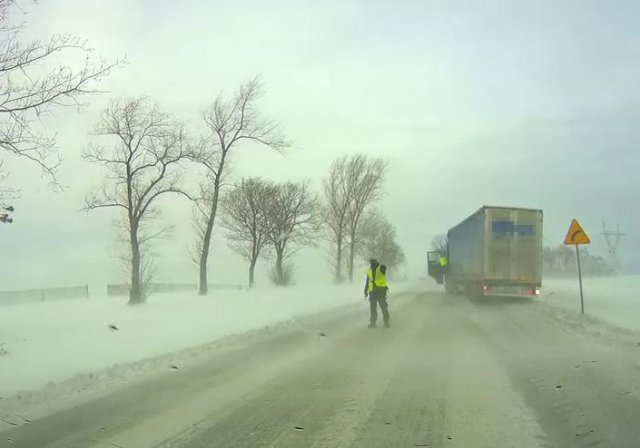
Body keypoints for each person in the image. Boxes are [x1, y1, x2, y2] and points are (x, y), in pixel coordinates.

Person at [364, 258, 390, 328]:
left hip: (380, 291)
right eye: (371, 263)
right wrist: (365, 291)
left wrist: (365, 291)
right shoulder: (369, 270)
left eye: (372, 263)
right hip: (373, 291)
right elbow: (367, 281)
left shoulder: (381, 268)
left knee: (383, 306)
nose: (371, 264)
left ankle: (386, 321)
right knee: (373, 307)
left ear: (376, 263)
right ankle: (373, 322)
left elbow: (384, 269)